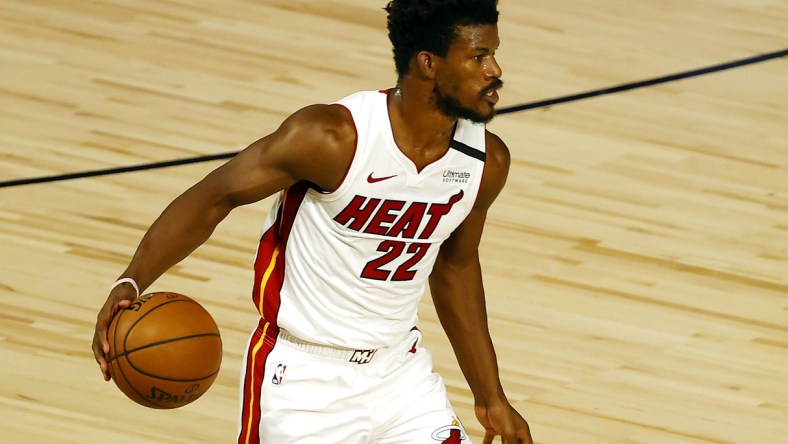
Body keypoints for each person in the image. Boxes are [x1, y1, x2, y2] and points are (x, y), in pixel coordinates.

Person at [92, 0, 532, 442]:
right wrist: (130, 281)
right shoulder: (332, 138)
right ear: (428, 64)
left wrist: (490, 395)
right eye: (478, 56)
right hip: (303, 382)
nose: (495, 70)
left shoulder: (485, 160)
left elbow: (455, 268)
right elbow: (215, 196)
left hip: (401, 375)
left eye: (493, 54)